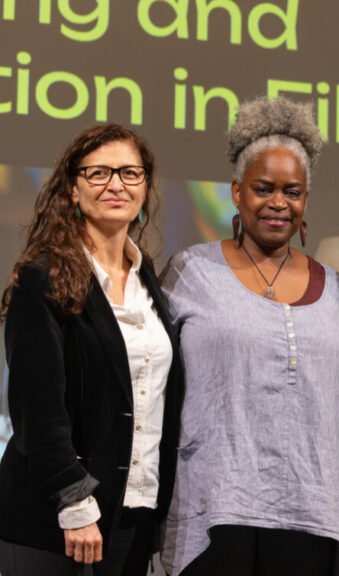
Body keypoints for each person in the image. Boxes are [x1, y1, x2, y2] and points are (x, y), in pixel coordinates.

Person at [160, 98, 339, 576]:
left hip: (310, 515)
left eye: (293, 192)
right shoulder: (191, 271)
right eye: (263, 188)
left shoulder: (334, 289)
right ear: (236, 191)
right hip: (213, 510)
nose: (278, 203)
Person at [0, 124, 184, 575]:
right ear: (73, 187)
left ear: (145, 188)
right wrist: (74, 502)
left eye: (130, 173)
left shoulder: (148, 281)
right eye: (99, 173)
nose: (116, 184)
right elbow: (36, 412)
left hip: (132, 514)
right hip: (56, 519)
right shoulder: (41, 278)